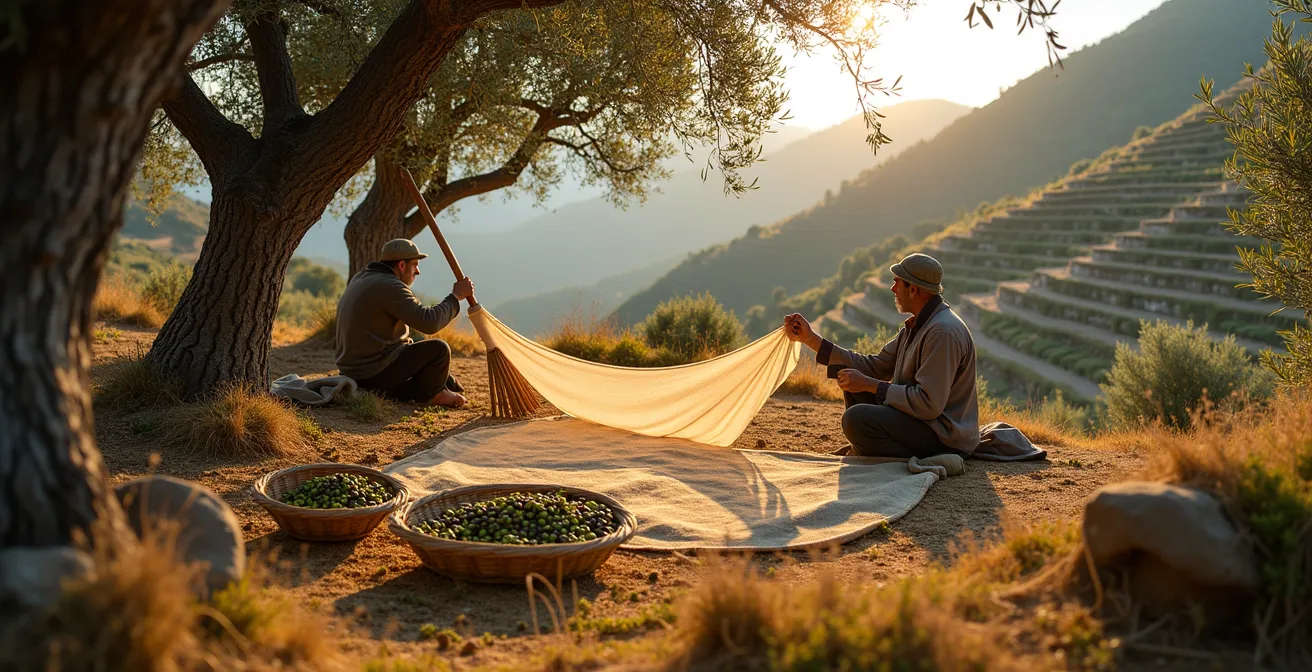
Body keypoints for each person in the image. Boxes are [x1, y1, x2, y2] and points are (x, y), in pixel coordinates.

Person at [783, 252, 979, 458]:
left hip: (943, 436)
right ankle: (865, 450)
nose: (892, 289)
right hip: (921, 421)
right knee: (853, 380)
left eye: (897, 283)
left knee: (856, 419)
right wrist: (810, 338)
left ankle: (928, 458)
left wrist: (869, 384)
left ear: (912, 289)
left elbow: (928, 404)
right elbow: (875, 367)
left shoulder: (942, 332)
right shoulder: (919, 324)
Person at [335, 238, 474, 408]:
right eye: (415, 265)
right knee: (439, 349)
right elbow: (429, 322)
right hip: (373, 371)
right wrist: (455, 297)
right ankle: (435, 395)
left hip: (355, 373)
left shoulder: (362, 277)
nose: (418, 271)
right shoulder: (390, 286)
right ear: (401, 265)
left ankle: (420, 389)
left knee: (420, 345)